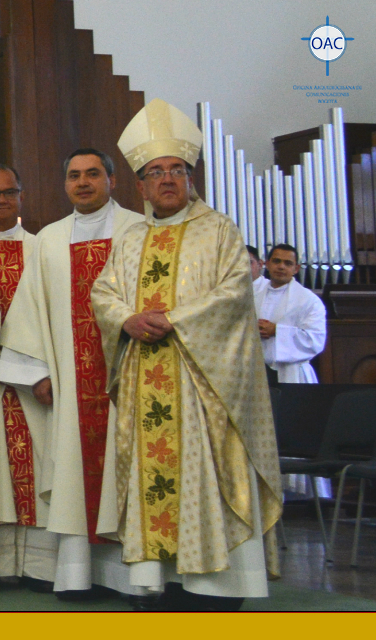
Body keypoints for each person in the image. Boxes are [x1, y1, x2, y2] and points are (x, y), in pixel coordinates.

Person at [91, 99, 282, 611]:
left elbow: (234, 294)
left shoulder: (219, 230)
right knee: (151, 477)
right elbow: (103, 293)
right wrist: (127, 320)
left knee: (206, 474)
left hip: (203, 384)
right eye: (157, 172)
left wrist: (172, 320)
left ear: (191, 177)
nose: (168, 178)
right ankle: (156, 580)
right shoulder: (130, 239)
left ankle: (216, 586)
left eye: (177, 169)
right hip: (144, 378)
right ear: (141, 185)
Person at [0, 147, 143, 600]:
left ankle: (136, 578)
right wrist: (37, 370)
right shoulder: (50, 240)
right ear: (65, 185)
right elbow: (29, 310)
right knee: (77, 477)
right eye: (74, 175)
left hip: (130, 379)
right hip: (71, 386)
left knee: (132, 472)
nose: (83, 182)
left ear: (111, 181)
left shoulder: (139, 230)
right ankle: (78, 574)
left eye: (92, 174)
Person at [0, 164, 54, 589]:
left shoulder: (44, 250)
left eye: (10, 192)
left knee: (40, 464)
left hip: (37, 381)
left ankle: (40, 565)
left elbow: (54, 316)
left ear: (21, 197)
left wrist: (32, 368)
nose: (2, 199)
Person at [254, 244, 327, 384]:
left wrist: (276, 330)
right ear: (267, 264)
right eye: (276, 261)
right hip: (257, 372)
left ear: (296, 269)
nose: (281, 267)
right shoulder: (253, 296)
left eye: (288, 263)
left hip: (292, 374)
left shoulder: (309, 300)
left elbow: (315, 340)